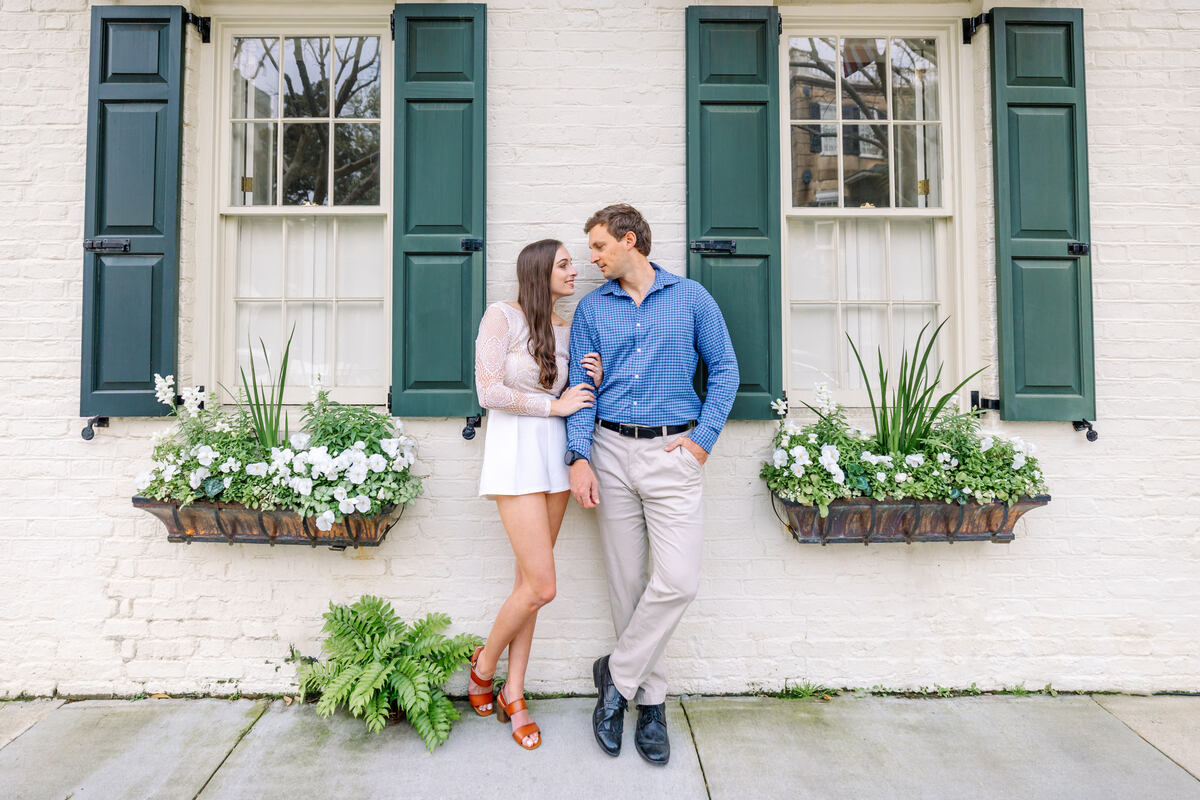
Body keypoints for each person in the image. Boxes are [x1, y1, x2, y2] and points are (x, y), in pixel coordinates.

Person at [565, 204, 738, 765]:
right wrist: (579, 455)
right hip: (610, 451)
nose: (591, 259)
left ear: (628, 240)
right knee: (625, 584)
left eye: (597, 247)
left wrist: (701, 442)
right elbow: (580, 388)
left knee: (678, 581)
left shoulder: (691, 299)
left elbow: (726, 371)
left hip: (673, 453)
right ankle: (652, 702)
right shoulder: (593, 309)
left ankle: (614, 680)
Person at [467, 239, 603, 751]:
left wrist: (593, 381)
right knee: (542, 586)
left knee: (528, 582)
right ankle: (483, 668)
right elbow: (488, 391)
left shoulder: (569, 330)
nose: (576, 272)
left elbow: (577, 398)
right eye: (566, 264)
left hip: (555, 459)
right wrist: (556, 408)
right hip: (516, 452)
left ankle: (514, 691)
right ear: (540, 271)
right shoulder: (501, 317)